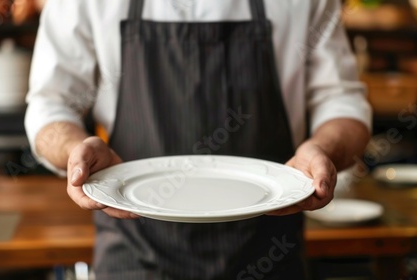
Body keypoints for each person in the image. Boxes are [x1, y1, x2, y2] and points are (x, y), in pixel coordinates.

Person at [25, 0, 371, 279]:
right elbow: (51, 104)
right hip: (134, 255)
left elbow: (341, 102)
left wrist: (323, 149)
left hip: (268, 252)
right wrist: (74, 150)